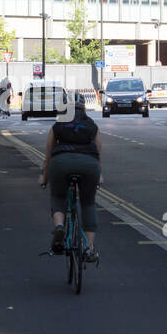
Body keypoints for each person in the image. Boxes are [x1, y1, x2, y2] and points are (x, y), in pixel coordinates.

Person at [40, 97, 102, 263]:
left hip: (61, 163)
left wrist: (44, 177)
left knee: (58, 196)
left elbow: (48, 153)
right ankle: (89, 249)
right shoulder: (91, 125)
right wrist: (99, 175)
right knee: (88, 203)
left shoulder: (58, 124)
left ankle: (59, 226)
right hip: (89, 165)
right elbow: (98, 151)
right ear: (84, 108)